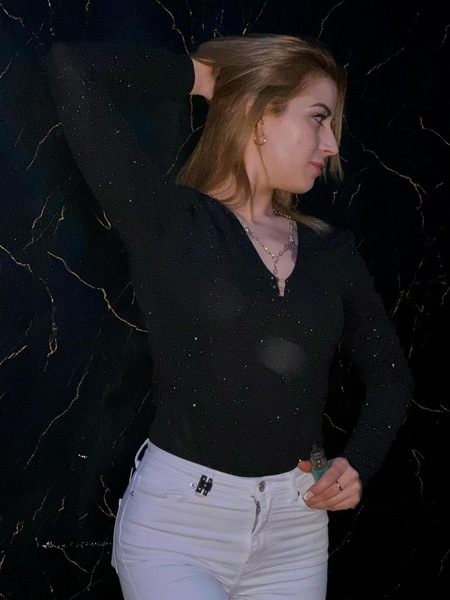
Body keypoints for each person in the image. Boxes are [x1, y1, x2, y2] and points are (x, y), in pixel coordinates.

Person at [45, 34, 414, 600]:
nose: (332, 144)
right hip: (178, 530)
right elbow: (71, 68)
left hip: (295, 529)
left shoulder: (332, 252)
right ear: (262, 115)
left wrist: (357, 462)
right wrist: (209, 79)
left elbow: (391, 376)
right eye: (318, 118)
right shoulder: (169, 221)